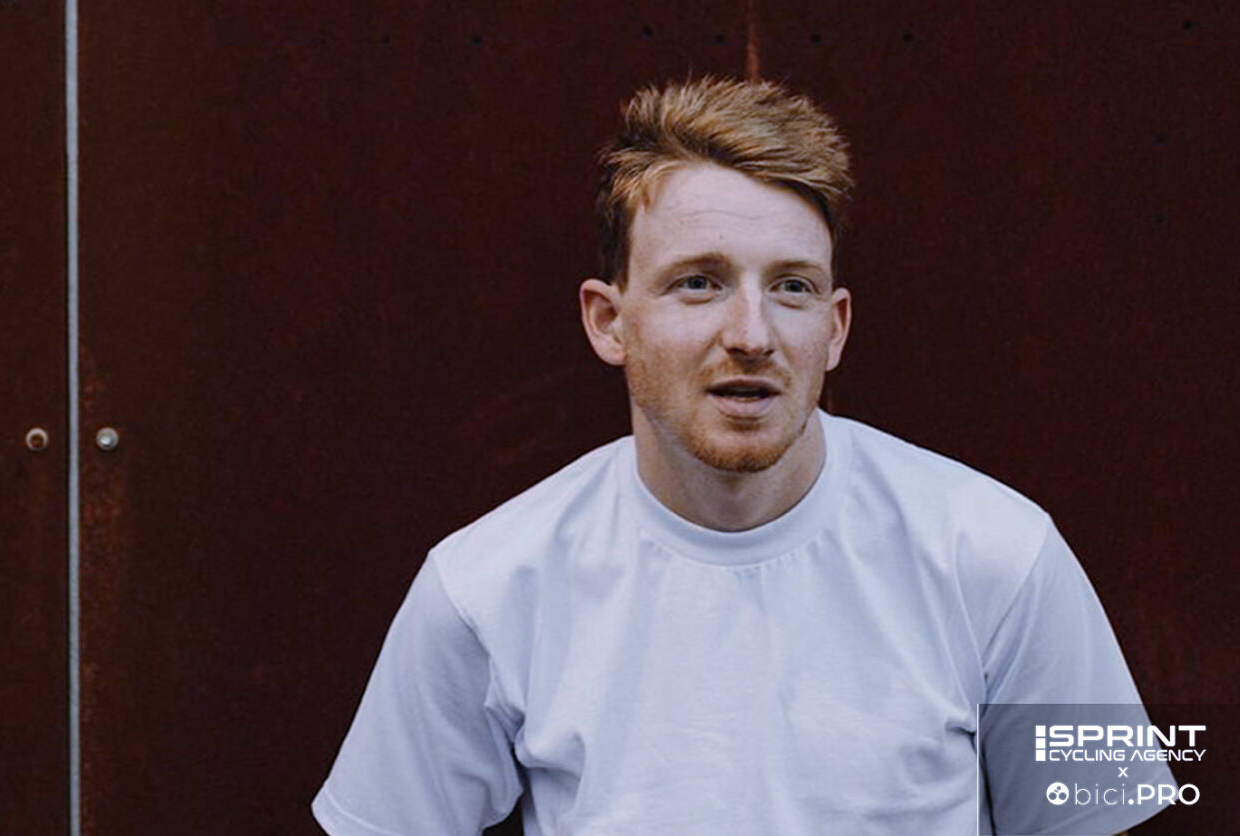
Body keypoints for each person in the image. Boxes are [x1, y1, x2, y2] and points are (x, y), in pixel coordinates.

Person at [313, 77, 1171, 835]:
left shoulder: (1002, 556)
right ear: (608, 321)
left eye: (792, 286)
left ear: (834, 328)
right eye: (700, 281)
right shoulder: (485, 588)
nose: (752, 334)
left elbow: (1094, 820)